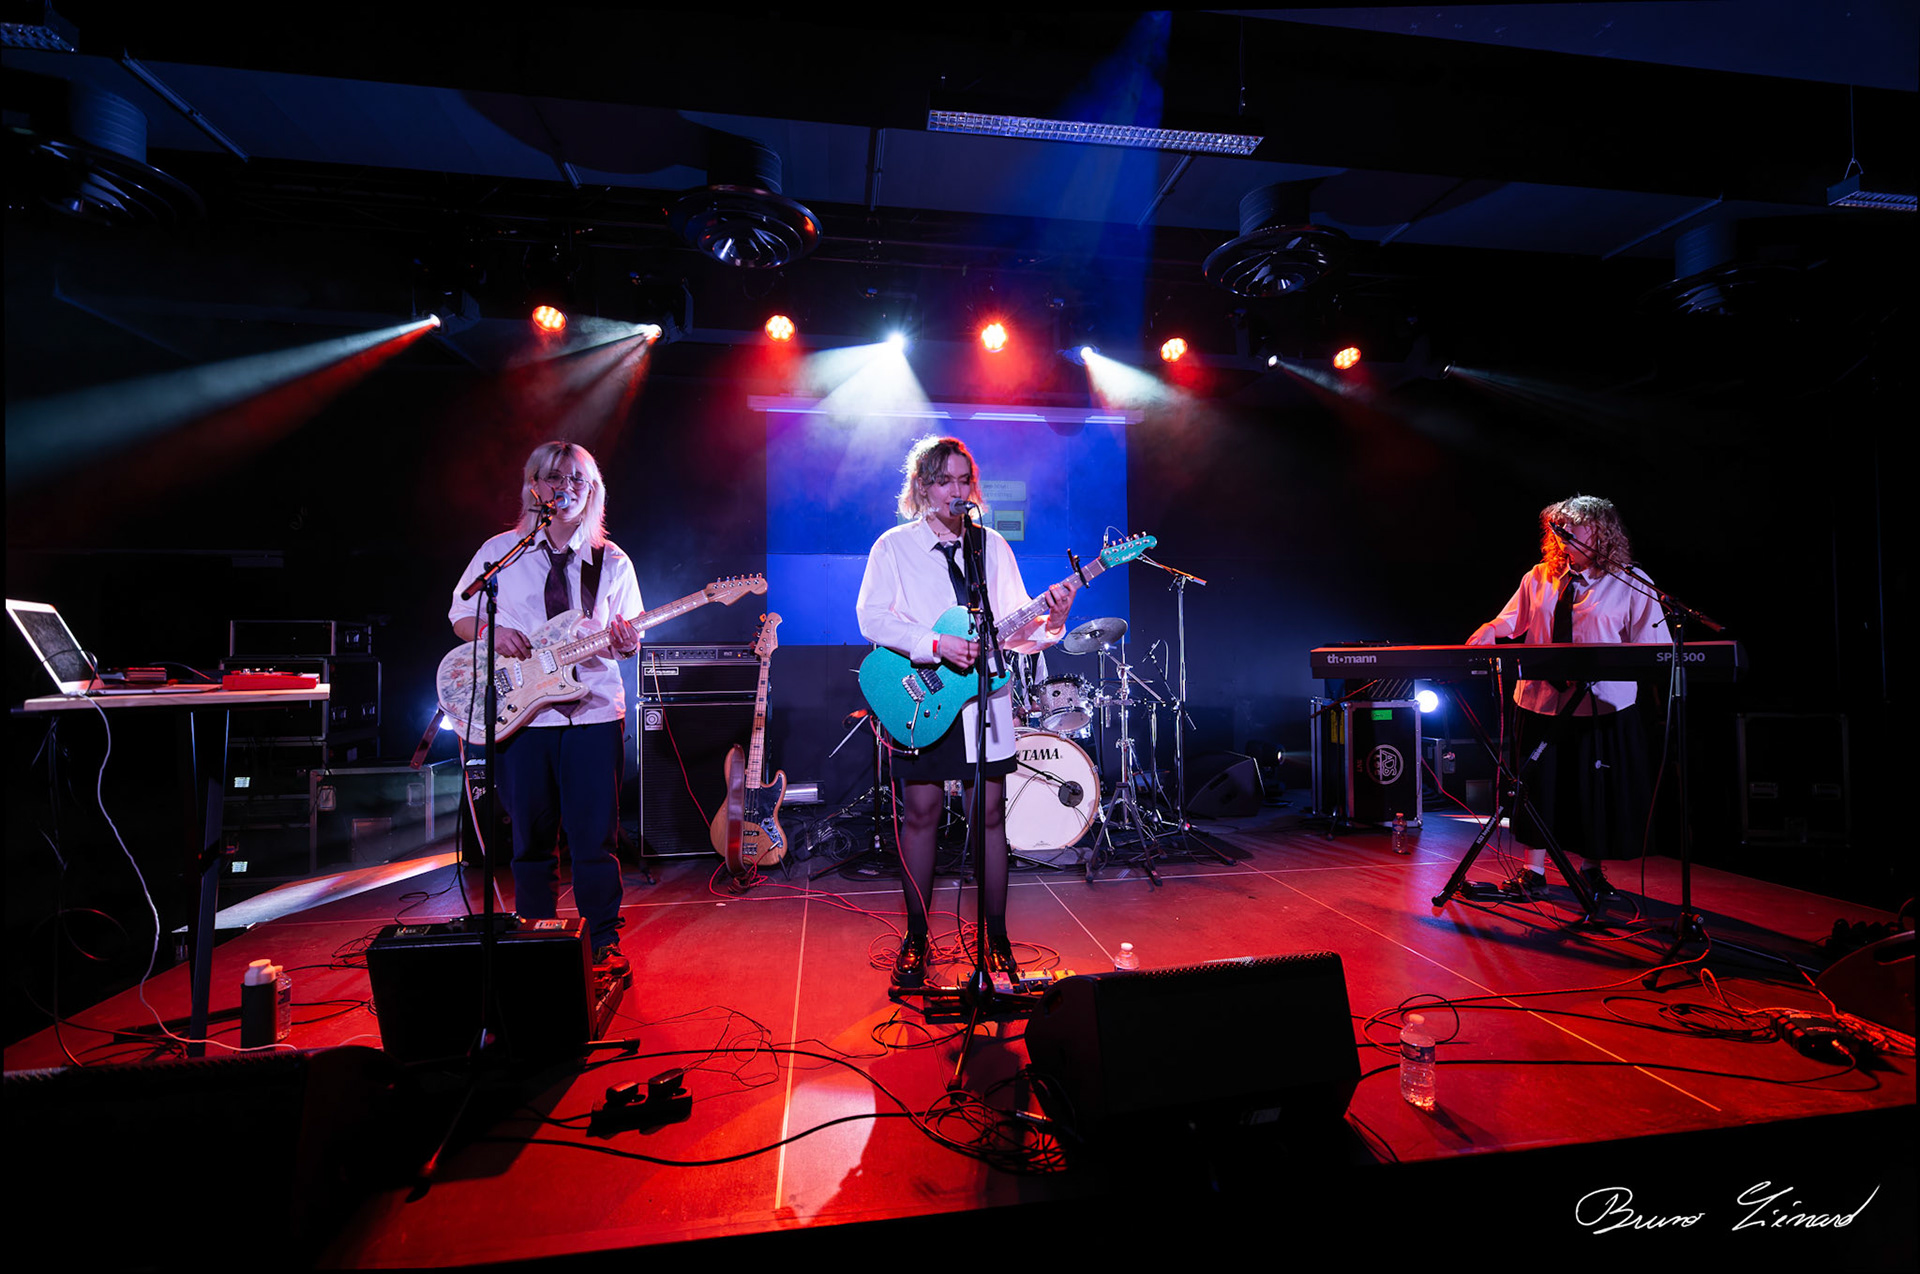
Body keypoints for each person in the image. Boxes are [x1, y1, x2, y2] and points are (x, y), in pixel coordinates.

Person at [856, 437, 1075, 986]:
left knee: (992, 817)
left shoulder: (992, 545)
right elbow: (871, 619)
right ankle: (916, 938)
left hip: (987, 697)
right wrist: (935, 644)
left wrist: (1050, 621)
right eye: (944, 481)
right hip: (923, 694)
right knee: (922, 815)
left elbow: (1015, 631)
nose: (956, 491)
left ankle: (996, 940)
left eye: (963, 481)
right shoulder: (893, 547)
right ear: (923, 488)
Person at [449, 441, 642, 983]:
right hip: (523, 714)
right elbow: (461, 613)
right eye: (557, 478)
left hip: (594, 712)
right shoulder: (500, 552)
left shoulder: (612, 560)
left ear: (593, 490)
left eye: (579, 480)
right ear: (536, 485)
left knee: (593, 837)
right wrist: (493, 630)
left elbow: (627, 637)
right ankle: (534, 936)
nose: (569, 489)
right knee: (530, 838)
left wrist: (625, 641)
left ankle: (602, 940)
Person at [1466, 494, 1664, 899]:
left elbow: (1652, 647)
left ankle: (1592, 871)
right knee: (1538, 788)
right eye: (1557, 528)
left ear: (1599, 531)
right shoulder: (1538, 576)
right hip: (1542, 702)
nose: (1563, 535)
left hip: (1601, 706)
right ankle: (1533, 873)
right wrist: (1490, 628)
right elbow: (1511, 620)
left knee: (1595, 790)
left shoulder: (1631, 581)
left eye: (1572, 526)